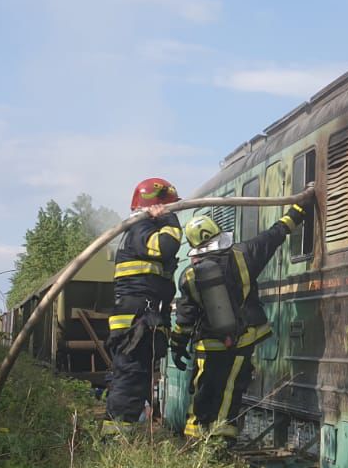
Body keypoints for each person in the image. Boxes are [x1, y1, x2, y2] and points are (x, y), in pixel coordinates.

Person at [170, 196, 311, 446]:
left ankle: (195, 443)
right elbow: (277, 232)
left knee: (203, 391)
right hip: (241, 341)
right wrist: (301, 207)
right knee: (229, 392)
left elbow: (185, 316)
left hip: (207, 347)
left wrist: (178, 345)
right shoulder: (245, 254)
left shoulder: (189, 275)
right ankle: (220, 445)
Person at [103, 177, 184, 437]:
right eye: (169, 207)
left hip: (140, 319)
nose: (173, 213)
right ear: (157, 206)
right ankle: (116, 440)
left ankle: (122, 437)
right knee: (129, 381)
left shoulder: (144, 229)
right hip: (134, 322)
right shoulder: (141, 229)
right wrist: (168, 220)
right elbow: (166, 245)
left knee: (134, 380)